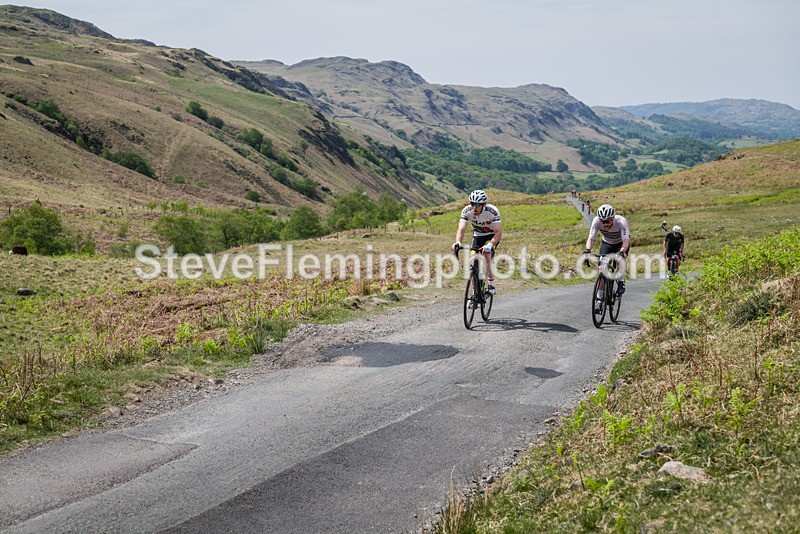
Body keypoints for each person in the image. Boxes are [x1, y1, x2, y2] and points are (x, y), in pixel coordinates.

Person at [452, 189, 503, 295]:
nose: (474, 207)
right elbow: (461, 229)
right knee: (472, 262)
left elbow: (498, 233)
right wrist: (458, 242)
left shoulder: (492, 211)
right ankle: (474, 293)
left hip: (491, 237)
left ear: (484, 204)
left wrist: (490, 245)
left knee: (486, 253)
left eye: (478, 204)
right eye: (472, 204)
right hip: (478, 236)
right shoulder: (466, 211)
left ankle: (491, 285)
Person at [583, 204, 630, 303]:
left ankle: (621, 280)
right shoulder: (596, 221)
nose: (605, 224)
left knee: (620, 259)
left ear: (613, 218)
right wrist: (587, 250)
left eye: (607, 221)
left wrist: (621, 252)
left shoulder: (621, 221)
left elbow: (626, 241)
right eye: (602, 221)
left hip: (620, 243)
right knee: (601, 269)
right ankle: (599, 299)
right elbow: (591, 238)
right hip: (607, 243)